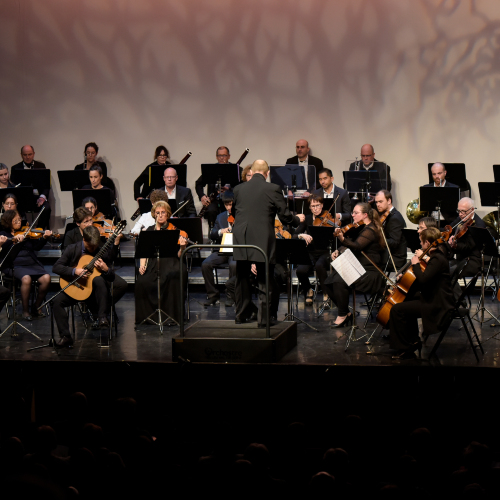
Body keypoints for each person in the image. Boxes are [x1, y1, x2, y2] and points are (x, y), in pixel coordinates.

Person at [232, 160, 304, 326]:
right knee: (264, 278)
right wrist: (296, 220)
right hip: (262, 238)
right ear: (267, 173)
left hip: (241, 236)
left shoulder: (238, 189)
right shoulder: (272, 188)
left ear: (253, 171)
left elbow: (236, 211)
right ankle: (263, 320)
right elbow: (285, 216)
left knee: (241, 276)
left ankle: (240, 315)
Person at [389, 227, 455, 359]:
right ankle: (412, 340)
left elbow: (424, 280)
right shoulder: (436, 256)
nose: (420, 244)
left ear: (427, 242)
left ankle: (404, 347)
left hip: (437, 303)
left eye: (421, 241)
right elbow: (426, 279)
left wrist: (416, 264)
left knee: (397, 309)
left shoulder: (437, 259)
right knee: (407, 299)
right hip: (433, 297)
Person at [52, 226, 122, 347]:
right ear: (84, 239)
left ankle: (102, 318)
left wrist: (106, 270)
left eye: (95, 246)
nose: (93, 249)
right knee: (56, 302)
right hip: (76, 287)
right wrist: (75, 271)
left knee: (99, 279)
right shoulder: (72, 249)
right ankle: (65, 336)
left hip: (93, 295)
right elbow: (56, 267)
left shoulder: (100, 251)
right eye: (90, 246)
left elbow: (111, 278)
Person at [324, 202, 386, 327]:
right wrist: (339, 250)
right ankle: (346, 312)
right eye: (352, 212)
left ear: (365, 215)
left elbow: (357, 246)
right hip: (359, 268)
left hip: (369, 272)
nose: (352, 215)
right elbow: (352, 242)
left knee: (338, 280)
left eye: (356, 213)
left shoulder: (371, 230)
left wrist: (342, 238)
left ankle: (342, 314)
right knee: (328, 283)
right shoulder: (361, 228)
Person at [135, 201, 188, 325]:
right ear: (154, 214)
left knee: (174, 276)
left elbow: (179, 256)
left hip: (171, 261)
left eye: (163, 212)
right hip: (153, 262)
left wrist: (182, 248)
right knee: (142, 282)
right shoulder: (148, 230)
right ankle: (149, 317)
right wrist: (142, 265)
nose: (160, 215)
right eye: (157, 213)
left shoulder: (176, 231)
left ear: (168, 214)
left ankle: (171, 316)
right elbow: (144, 251)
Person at [0, 210, 52, 320]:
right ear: (9, 221)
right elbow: (4, 252)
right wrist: (14, 242)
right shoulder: (3, 235)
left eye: (20, 219)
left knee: (46, 278)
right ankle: (25, 311)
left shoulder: (25, 233)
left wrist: (44, 238)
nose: (20, 221)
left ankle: (36, 306)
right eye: (16, 220)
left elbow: (36, 247)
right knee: (26, 279)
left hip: (31, 263)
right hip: (14, 265)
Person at [294, 195, 332, 306]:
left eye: (317, 205)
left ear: (322, 205)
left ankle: (326, 294)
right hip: (310, 252)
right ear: (310, 208)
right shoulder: (308, 219)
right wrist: (302, 235)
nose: (315, 208)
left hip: (325, 252)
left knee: (320, 265)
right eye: (313, 206)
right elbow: (294, 234)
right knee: (300, 270)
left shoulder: (328, 218)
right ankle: (308, 290)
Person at [201, 191, 237, 307]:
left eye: (231, 204)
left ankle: (231, 296)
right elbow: (212, 234)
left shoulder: (241, 216)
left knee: (234, 265)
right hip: (222, 250)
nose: (229, 207)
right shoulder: (220, 217)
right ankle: (212, 295)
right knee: (206, 264)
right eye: (227, 205)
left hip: (236, 251)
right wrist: (221, 231)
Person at [196, 146, 238, 230]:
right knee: (211, 211)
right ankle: (213, 233)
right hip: (214, 200)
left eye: (224, 155)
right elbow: (199, 184)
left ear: (229, 156)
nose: (222, 158)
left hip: (231, 200)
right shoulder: (211, 169)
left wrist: (230, 190)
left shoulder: (235, 169)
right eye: (219, 155)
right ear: (216, 157)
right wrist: (202, 196)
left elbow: (241, 186)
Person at [10, 145, 51, 229]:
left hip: (38, 197)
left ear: (34, 154)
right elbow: (13, 186)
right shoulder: (15, 168)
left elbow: (46, 185)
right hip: (22, 199)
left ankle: (39, 230)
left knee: (47, 208)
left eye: (30, 154)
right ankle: (23, 230)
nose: (27, 157)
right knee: (18, 208)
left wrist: (42, 197)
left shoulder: (41, 166)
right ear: (21, 155)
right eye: (25, 155)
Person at [448, 197, 487, 277]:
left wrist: (455, 245)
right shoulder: (461, 218)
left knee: (449, 272)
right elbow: (450, 229)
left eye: (463, 211)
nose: (460, 214)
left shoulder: (479, 225)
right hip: (460, 257)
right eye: (459, 211)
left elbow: (468, 246)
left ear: (472, 209)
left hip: (472, 260)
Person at [374, 190, 407, 270]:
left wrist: (377, 239)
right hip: (387, 253)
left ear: (389, 201)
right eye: (376, 202)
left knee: (368, 260)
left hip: (395, 257)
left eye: (380, 201)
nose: (378, 205)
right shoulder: (386, 215)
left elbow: (394, 242)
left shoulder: (395, 218)